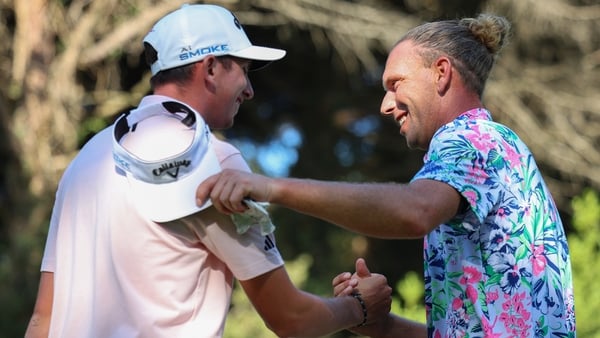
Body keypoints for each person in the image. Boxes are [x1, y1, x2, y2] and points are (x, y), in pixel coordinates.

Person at [196, 13, 577, 337]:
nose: (385, 105)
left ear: (441, 73)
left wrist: (270, 186)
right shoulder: (492, 146)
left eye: (396, 84)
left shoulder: (471, 139)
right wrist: (379, 325)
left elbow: (415, 212)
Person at [25, 4, 393, 338]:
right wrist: (359, 306)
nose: (249, 90)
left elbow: (43, 318)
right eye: (244, 71)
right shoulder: (211, 159)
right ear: (212, 67)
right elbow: (290, 319)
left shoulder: (87, 159)